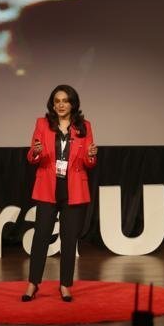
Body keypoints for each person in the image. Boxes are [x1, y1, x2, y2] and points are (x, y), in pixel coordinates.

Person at [23, 84, 97, 302]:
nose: (61, 104)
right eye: (57, 101)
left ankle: (65, 285)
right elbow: (32, 156)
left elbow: (88, 162)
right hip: (48, 187)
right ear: (52, 104)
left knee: (69, 239)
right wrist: (35, 152)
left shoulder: (84, 126)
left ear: (73, 104)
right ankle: (32, 284)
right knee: (40, 237)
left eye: (65, 100)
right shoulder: (42, 124)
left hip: (73, 189)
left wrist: (91, 155)